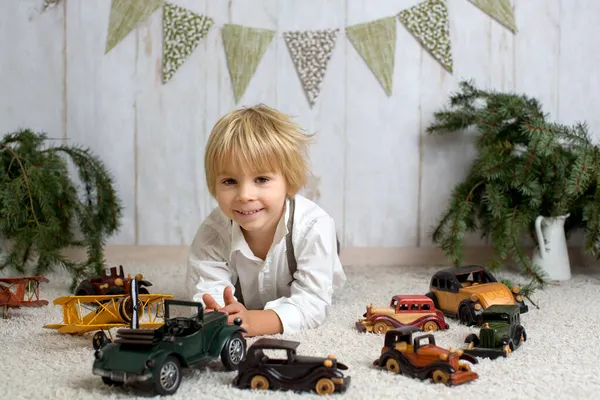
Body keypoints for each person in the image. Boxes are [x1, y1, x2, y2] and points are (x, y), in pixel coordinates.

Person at [185, 104, 346, 336]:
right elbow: (205, 289)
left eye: (261, 179)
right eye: (230, 181)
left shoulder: (314, 226)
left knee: (321, 255)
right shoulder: (213, 231)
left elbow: (312, 303)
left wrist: (253, 320)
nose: (244, 195)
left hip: (304, 242)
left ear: (289, 182)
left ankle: (334, 249)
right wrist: (222, 313)